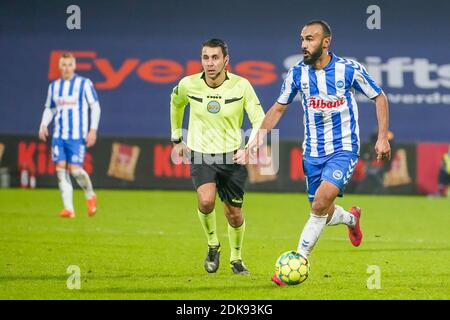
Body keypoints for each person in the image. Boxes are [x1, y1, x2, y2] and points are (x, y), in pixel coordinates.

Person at [234, 20, 391, 285]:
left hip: (343, 149)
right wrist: (254, 142)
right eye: (302, 39)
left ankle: (297, 262)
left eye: (310, 39)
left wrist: (383, 138)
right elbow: (277, 109)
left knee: (319, 205)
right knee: (323, 211)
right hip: (312, 153)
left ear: (326, 42)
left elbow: (379, 97)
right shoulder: (297, 74)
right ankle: (351, 218)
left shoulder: (348, 69)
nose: (304, 45)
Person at [170, 39, 265, 275]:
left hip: (232, 156)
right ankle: (213, 245)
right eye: (205, 57)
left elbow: (259, 119)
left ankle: (236, 258)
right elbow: (176, 103)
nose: (210, 63)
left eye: (215, 58)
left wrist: (249, 148)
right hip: (201, 153)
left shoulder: (242, 86)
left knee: (234, 214)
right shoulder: (188, 84)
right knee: (205, 201)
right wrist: (176, 137)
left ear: (225, 61)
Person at [39, 52, 101, 218]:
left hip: (77, 136)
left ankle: (90, 195)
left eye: (69, 65)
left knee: (75, 171)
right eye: (63, 65)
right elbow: (50, 108)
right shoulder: (54, 86)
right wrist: (43, 124)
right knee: (60, 170)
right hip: (59, 136)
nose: (66, 68)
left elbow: (95, 106)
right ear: (59, 67)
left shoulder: (84, 84)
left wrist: (93, 130)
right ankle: (69, 209)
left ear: (74, 66)